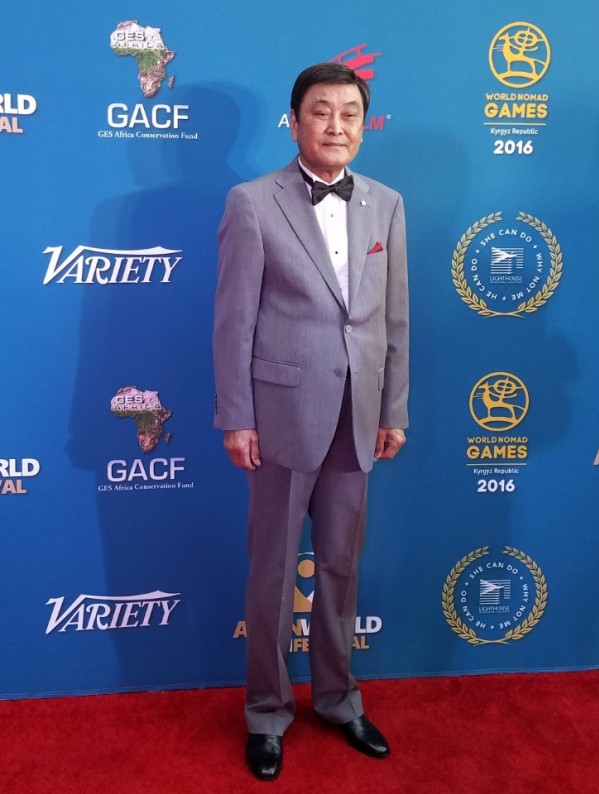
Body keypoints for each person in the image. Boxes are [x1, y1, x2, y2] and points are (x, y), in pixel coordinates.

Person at [213, 62, 409, 781]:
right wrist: (238, 417)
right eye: (321, 111)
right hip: (280, 417)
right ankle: (267, 711)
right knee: (272, 570)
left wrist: (393, 409)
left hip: (359, 415)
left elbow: (394, 319)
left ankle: (337, 699)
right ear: (294, 122)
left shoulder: (387, 203)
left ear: (364, 124)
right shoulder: (252, 202)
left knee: (340, 566)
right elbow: (233, 323)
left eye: (349, 113)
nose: (336, 125)